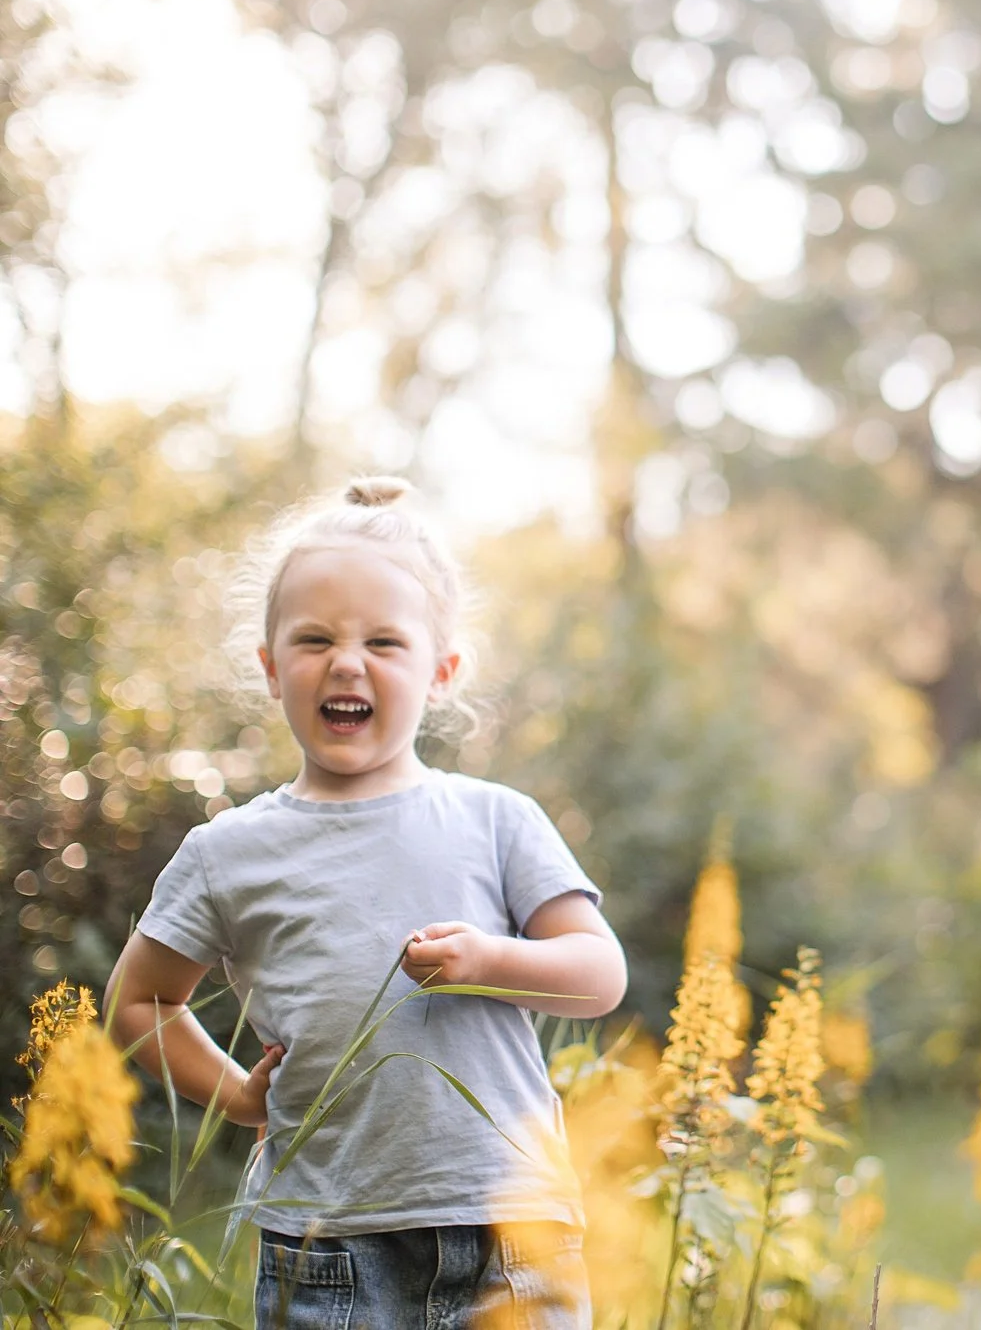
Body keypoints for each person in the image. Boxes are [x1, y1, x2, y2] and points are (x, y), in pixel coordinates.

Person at [105, 477, 626, 1329]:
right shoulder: (229, 850)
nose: (348, 662)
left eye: (385, 641)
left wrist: (491, 961)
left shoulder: (495, 818)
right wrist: (239, 1095)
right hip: (325, 1242)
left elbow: (599, 974)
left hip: (516, 1232)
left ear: (442, 671)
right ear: (271, 668)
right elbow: (136, 1001)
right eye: (314, 639)